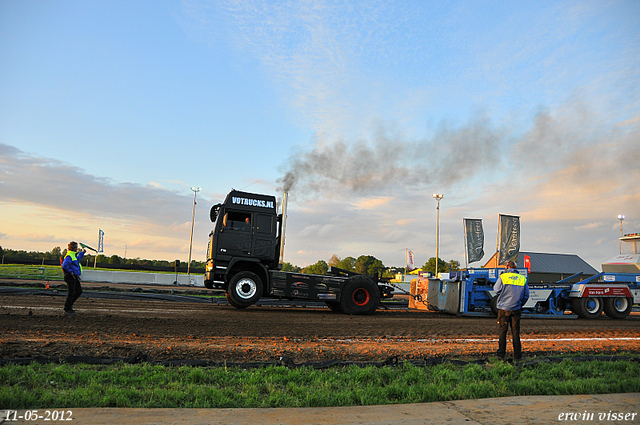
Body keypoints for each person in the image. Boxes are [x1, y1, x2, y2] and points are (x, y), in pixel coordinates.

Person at [493, 260, 529, 360]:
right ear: (516, 268)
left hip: (503, 309)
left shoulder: (503, 277)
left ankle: (501, 355)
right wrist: (520, 304)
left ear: (507, 267)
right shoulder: (522, 278)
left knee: (502, 332)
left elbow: (496, 290)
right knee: (516, 332)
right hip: (516, 308)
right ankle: (517, 356)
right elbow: (527, 295)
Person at [61, 241, 86, 316]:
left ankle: (69, 306)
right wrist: (70, 272)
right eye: (77, 247)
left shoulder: (73, 255)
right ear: (75, 248)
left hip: (74, 277)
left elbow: (77, 259)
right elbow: (64, 265)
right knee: (72, 293)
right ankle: (67, 308)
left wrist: (82, 253)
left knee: (78, 291)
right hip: (70, 277)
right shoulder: (69, 256)